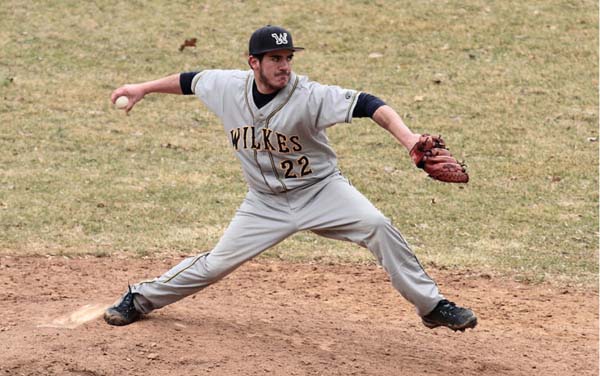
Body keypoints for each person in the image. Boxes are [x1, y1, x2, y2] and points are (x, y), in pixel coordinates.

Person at [104, 25, 477, 332]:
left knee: (377, 225)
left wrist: (409, 138)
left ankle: (432, 306)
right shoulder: (227, 87)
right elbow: (189, 80)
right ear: (254, 62)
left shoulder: (309, 96)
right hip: (264, 203)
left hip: (321, 191)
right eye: (275, 59)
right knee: (217, 263)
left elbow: (367, 104)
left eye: (288, 58)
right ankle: (140, 298)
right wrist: (142, 88)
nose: (285, 66)